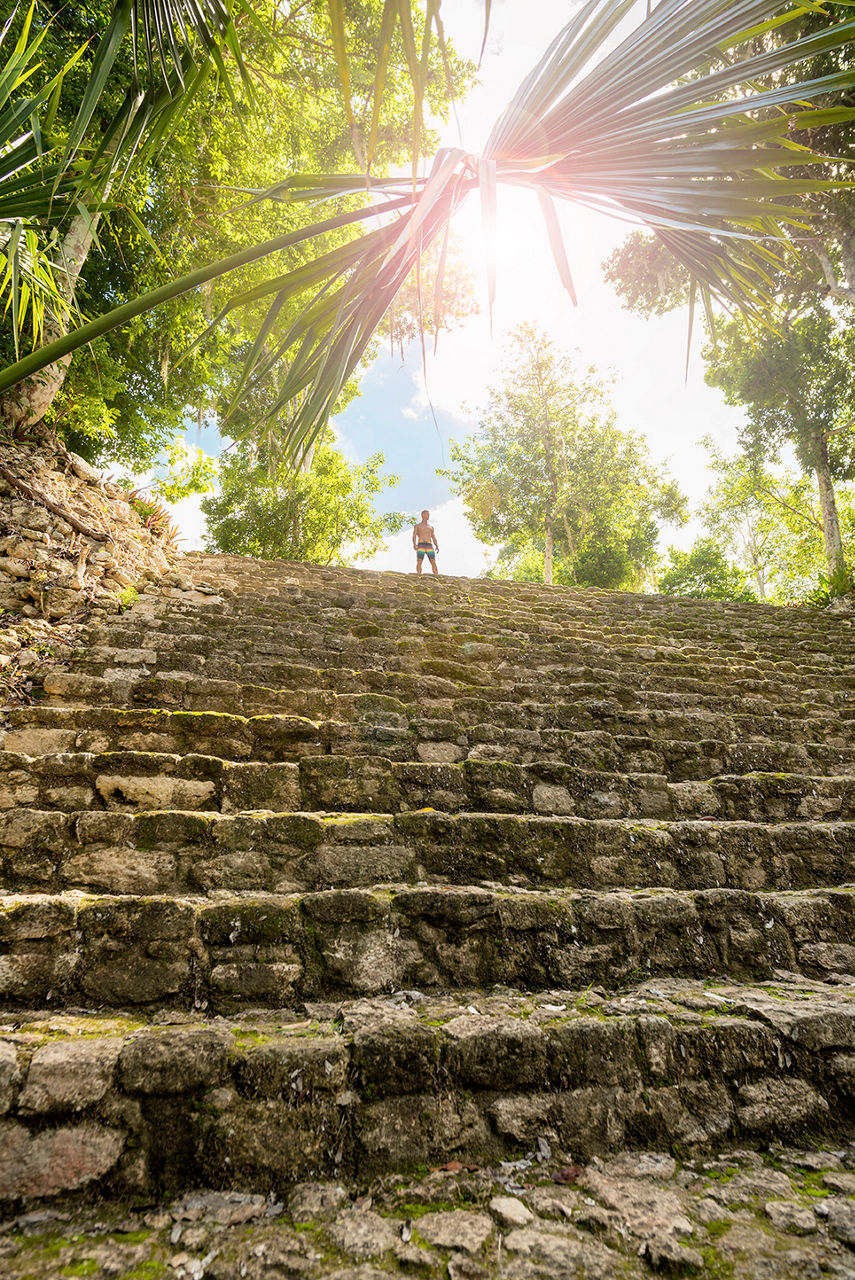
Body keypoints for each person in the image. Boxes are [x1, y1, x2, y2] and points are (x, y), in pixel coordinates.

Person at [413, 509, 439, 576]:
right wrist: (414, 544)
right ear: (423, 515)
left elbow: (433, 537)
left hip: (429, 545)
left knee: (433, 561)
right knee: (419, 561)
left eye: (429, 514)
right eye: (427, 514)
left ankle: (436, 575)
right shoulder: (417, 526)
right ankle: (418, 575)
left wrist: (437, 545)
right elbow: (414, 535)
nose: (428, 516)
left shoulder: (431, 527)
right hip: (421, 544)